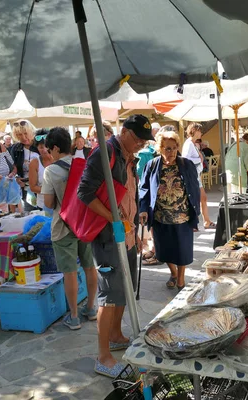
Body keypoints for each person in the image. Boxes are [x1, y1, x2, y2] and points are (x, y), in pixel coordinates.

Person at [78, 114, 153, 378]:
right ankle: (103, 357)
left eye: (146, 140)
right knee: (109, 296)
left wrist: (134, 222)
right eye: (139, 138)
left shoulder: (130, 158)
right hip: (108, 235)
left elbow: (129, 193)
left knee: (125, 289)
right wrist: (114, 218)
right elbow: (84, 192)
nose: (142, 144)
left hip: (128, 235)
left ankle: (116, 335)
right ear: (124, 131)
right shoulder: (105, 151)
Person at [41, 127, 98, 331]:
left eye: (49, 150)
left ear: (56, 148)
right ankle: (91, 308)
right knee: (90, 266)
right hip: (86, 223)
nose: (49, 153)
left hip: (63, 226)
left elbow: (48, 203)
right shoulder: (84, 164)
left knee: (70, 272)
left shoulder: (51, 170)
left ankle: (74, 316)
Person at [139, 130, 200, 291]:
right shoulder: (152, 165)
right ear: (160, 148)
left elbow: (195, 189)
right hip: (160, 217)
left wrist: (196, 212)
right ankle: (173, 273)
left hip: (182, 216)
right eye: (167, 148)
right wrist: (143, 209)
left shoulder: (186, 165)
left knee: (182, 250)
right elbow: (143, 189)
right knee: (163, 250)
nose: (171, 152)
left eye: (174, 148)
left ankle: (180, 279)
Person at [182, 122, 215, 229]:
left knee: (202, 198)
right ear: (195, 131)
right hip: (192, 176)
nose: (201, 133)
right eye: (200, 131)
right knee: (195, 200)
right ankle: (194, 223)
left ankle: (206, 221)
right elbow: (185, 159)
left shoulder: (192, 143)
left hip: (196, 175)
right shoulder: (189, 144)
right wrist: (198, 159)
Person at [9, 119, 39, 210]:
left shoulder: (40, 145)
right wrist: (17, 177)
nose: (23, 137)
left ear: (31, 131)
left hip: (42, 187)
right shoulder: (16, 148)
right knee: (31, 214)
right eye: (19, 135)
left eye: (26, 133)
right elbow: (12, 167)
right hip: (27, 189)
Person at [28, 130, 54, 210]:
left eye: (46, 146)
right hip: (43, 206)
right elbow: (33, 187)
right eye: (41, 147)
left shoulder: (58, 159)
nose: (45, 150)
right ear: (37, 148)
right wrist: (51, 191)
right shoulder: (35, 163)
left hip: (60, 205)